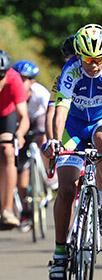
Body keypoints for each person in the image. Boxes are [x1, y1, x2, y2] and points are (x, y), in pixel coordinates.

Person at [44, 24, 102, 280]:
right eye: (88, 59)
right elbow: (60, 111)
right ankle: (60, 253)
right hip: (74, 125)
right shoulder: (70, 71)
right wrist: (53, 139)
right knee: (67, 187)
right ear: (78, 55)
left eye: (100, 59)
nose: (94, 65)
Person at [12, 60, 51, 230]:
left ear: (32, 81)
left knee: (43, 139)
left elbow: (51, 112)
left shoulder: (40, 93)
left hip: (38, 120)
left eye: (25, 79)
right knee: (21, 168)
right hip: (19, 124)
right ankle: (25, 212)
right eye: (18, 78)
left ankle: (49, 174)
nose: (21, 82)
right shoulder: (11, 91)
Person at [0, 50, 29, 229]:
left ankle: (7, 209)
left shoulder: (14, 79)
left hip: (6, 115)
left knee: (7, 151)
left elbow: (23, 116)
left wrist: (19, 135)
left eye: (1, 75)